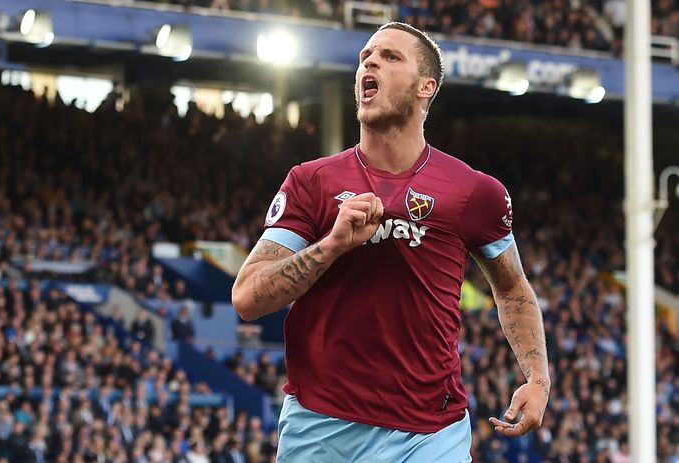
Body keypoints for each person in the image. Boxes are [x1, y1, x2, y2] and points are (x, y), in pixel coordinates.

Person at [231, 21, 550, 462]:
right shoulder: (311, 181)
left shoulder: (474, 192)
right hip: (320, 426)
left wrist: (538, 379)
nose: (370, 63)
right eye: (365, 56)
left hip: (430, 433)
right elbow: (247, 298)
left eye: (389, 56)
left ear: (425, 87)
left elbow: (512, 287)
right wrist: (330, 246)